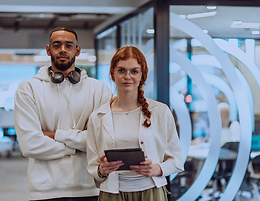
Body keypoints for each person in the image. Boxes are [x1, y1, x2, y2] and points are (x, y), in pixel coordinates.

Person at [14, 26, 112, 201]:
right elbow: (29, 144)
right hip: (44, 191)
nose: (62, 50)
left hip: (89, 188)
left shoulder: (99, 89)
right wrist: (80, 145)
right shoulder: (28, 89)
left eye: (69, 45)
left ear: (78, 50)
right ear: (48, 49)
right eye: (57, 45)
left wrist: (53, 135)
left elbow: (102, 140)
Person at [86, 46, 184, 201]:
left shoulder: (160, 112)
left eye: (134, 71)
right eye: (121, 70)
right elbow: (92, 166)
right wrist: (101, 170)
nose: (127, 76)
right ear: (112, 74)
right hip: (112, 194)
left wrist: (156, 169)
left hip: (151, 193)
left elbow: (177, 160)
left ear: (142, 75)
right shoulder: (97, 117)